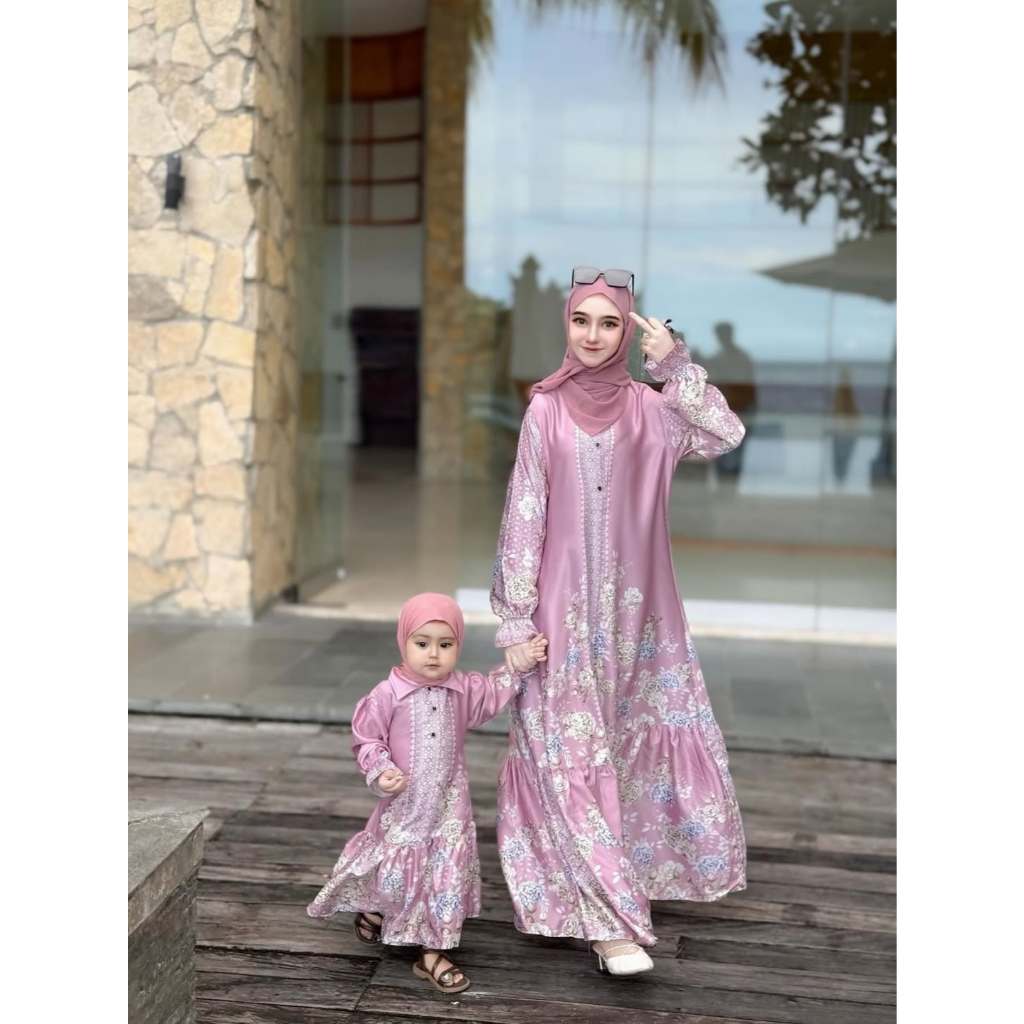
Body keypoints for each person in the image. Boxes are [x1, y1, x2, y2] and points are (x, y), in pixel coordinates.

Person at [491, 267, 747, 977]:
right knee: (569, 758)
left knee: (627, 752)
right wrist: (515, 618)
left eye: (610, 323)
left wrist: (676, 367)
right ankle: (611, 930)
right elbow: (524, 514)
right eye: (582, 321)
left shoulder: (654, 409)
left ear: (627, 332)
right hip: (561, 618)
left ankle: (616, 882)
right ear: (566, 325)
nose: (594, 336)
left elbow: (726, 433)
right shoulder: (544, 410)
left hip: (642, 622)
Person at [306, 592, 548, 994]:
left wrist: (520, 663)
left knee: (443, 870)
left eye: (445, 644)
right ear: (403, 641)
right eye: (422, 643)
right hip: (406, 805)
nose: (434, 654)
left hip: (450, 805)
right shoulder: (388, 694)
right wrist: (381, 769)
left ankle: (432, 951)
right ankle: (379, 908)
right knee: (395, 867)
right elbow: (367, 739)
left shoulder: (462, 689)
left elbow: (492, 694)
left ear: (458, 646)